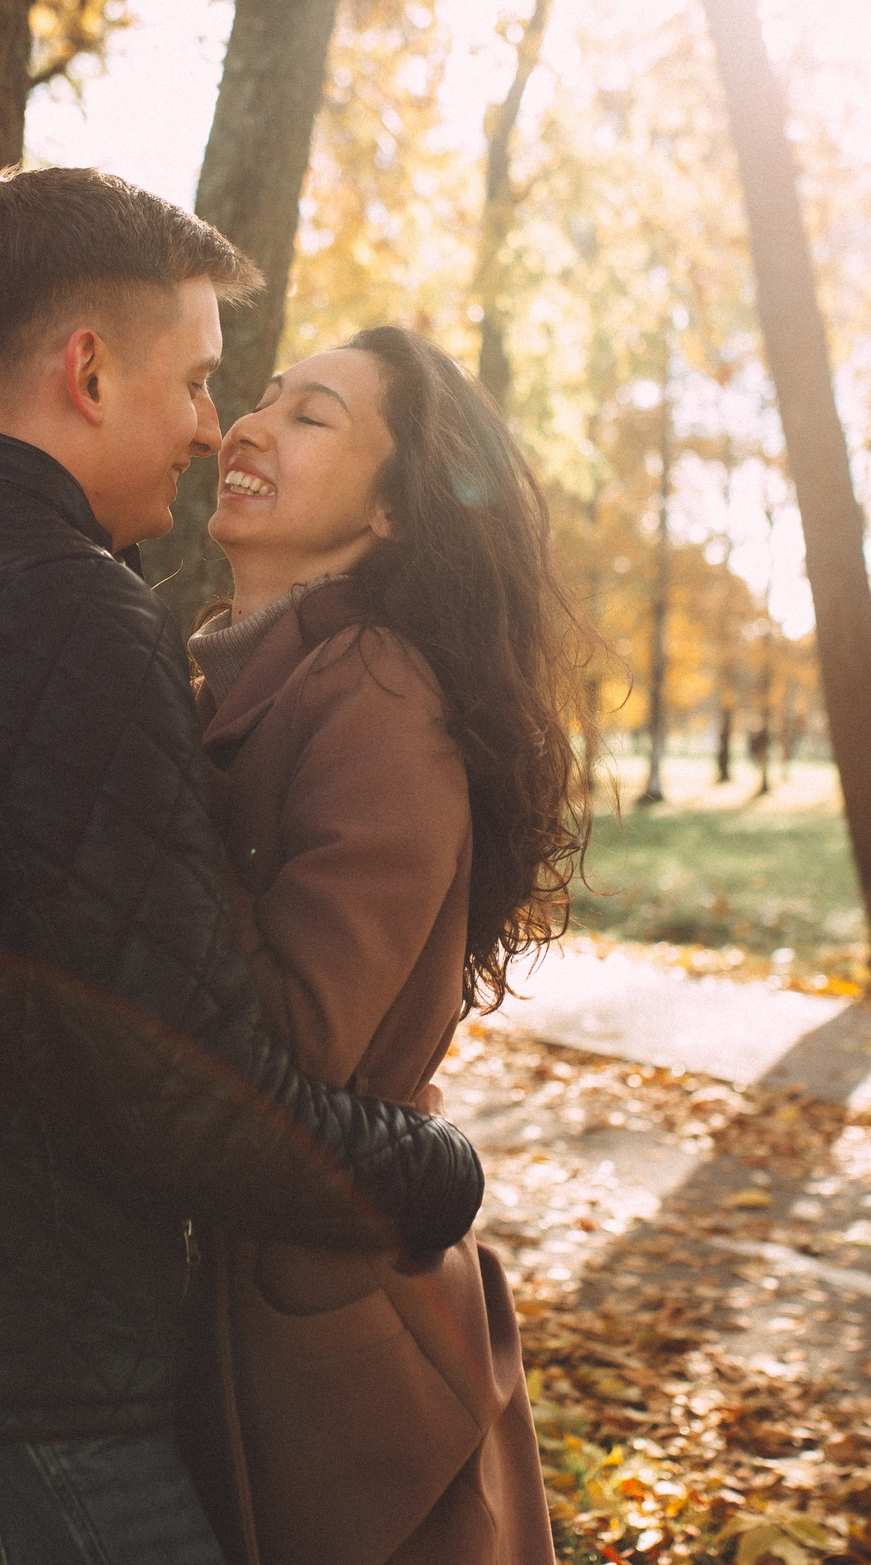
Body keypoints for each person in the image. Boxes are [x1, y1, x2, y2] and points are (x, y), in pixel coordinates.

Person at [0, 169, 484, 1565]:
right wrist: (432, 1169)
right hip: (5, 1402)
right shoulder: (64, 615)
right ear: (88, 370)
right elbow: (191, 1089)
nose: (215, 428)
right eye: (203, 381)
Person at [184, 327, 586, 1565]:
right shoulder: (240, 669)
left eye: (312, 417)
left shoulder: (374, 689)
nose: (247, 428)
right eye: (256, 402)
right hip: (245, 1308)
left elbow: (300, 1038)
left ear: (396, 514)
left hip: (329, 1353)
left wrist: (130, 810)